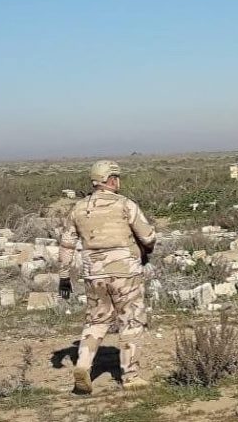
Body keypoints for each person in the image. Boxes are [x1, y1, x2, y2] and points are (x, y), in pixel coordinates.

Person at [58, 160, 156, 394]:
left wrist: (64, 277)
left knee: (96, 321)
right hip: (125, 273)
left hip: (94, 275)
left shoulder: (79, 208)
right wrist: (145, 251)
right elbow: (148, 236)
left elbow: (67, 244)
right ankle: (130, 376)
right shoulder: (125, 205)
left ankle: (83, 365)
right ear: (111, 180)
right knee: (131, 321)